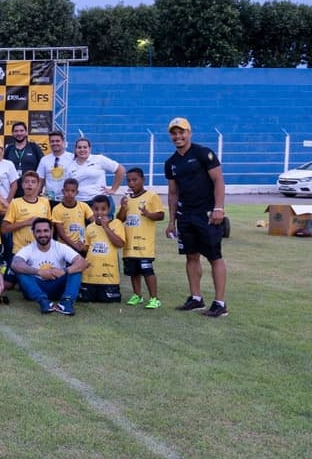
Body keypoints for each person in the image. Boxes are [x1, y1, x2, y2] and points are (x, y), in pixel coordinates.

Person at [164, 117, 228, 318]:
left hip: (207, 214)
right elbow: (173, 193)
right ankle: (196, 298)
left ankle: (219, 303)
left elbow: (218, 181)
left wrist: (218, 208)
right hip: (185, 216)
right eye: (174, 133)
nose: (178, 136)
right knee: (191, 256)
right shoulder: (171, 163)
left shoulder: (203, 153)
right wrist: (171, 221)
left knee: (214, 256)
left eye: (181, 132)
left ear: (189, 133)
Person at [10, 218, 88, 316]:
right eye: (38, 231)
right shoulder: (28, 249)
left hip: (57, 286)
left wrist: (64, 271)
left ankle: (66, 303)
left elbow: (83, 262)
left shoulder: (60, 247)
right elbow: (15, 264)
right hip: (36, 288)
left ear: (51, 231)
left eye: (46, 231)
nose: (42, 234)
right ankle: (44, 302)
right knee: (21, 271)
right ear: (33, 232)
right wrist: (39, 272)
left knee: (76, 270)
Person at [117, 167, 166, 309]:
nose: (131, 183)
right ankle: (137, 295)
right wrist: (122, 207)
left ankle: (154, 298)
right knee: (133, 271)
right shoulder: (127, 199)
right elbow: (120, 219)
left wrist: (148, 214)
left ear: (142, 180)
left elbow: (161, 215)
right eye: (129, 181)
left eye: (135, 180)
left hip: (144, 245)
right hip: (129, 244)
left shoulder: (151, 196)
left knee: (147, 270)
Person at [78, 194, 125, 304]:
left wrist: (106, 227)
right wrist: (82, 247)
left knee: (108, 301)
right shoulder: (89, 227)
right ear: (92, 210)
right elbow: (87, 248)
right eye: (96, 209)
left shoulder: (116, 223)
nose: (99, 212)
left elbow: (120, 244)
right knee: (85, 300)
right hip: (89, 276)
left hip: (109, 277)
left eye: (103, 209)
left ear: (109, 209)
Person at [66, 138, 125, 213]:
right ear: (75, 149)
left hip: (101, 201)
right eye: (79, 147)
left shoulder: (99, 159)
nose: (82, 150)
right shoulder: (70, 166)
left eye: (85, 147)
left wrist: (113, 189)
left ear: (90, 149)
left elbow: (120, 170)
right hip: (81, 203)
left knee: (105, 224)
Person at [50, 177, 92, 258]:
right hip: (65, 247)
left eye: (73, 191)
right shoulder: (57, 209)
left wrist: (85, 243)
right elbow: (61, 234)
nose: (69, 193)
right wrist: (75, 246)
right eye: (67, 190)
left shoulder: (83, 206)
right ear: (63, 191)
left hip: (82, 245)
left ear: (77, 192)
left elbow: (94, 223)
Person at [3, 121, 46, 197]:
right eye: (16, 131)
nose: (19, 133)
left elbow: (43, 168)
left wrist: (39, 189)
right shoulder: (9, 149)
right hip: (12, 190)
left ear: (26, 132)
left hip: (31, 190)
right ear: (12, 133)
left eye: (21, 131)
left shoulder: (34, 147)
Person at [37, 130, 70, 204]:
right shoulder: (44, 160)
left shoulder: (72, 158)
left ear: (63, 142)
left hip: (67, 199)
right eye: (52, 141)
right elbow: (40, 181)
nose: (55, 143)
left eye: (57, 141)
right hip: (49, 200)